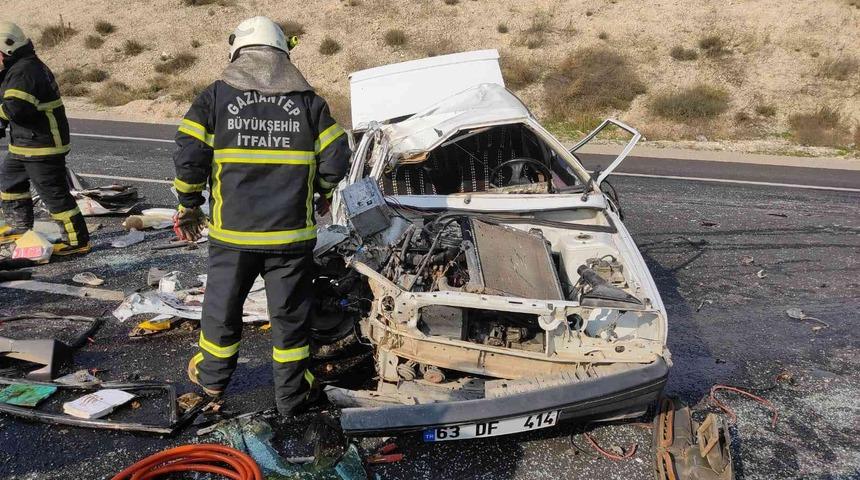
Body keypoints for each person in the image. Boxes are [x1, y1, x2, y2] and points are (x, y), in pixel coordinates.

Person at [174, 16, 350, 416]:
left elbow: (189, 153)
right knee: (290, 319)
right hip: (290, 237)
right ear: (283, 54)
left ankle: (212, 382)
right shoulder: (309, 102)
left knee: (222, 309)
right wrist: (320, 192)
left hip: (233, 236)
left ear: (237, 52)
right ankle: (292, 398)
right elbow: (338, 155)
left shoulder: (216, 97)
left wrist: (188, 204)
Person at [0, 21, 89, 254]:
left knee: (54, 194)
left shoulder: (24, 71)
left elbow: (16, 109)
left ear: (6, 49)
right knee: (10, 181)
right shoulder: (17, 67)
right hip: (24, 143)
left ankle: (77, 241)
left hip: (42, 145)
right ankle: (19, 226)